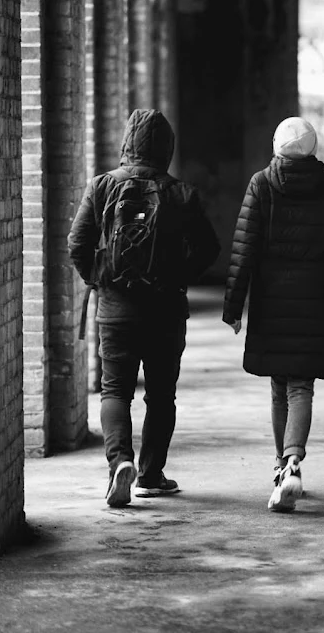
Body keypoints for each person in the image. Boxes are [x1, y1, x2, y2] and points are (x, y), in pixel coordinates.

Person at [68, 108, 220, 508]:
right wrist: (177, 276)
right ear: (165, 148)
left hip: (115, 310)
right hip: (166, 309)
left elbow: (77, 244)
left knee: (115, 389)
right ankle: (151, 474)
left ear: (127, 143)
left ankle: (120, 462)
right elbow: (209, 249)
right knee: (161, 395)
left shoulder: (101, 186)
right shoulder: (180, 193)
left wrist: (100, 276)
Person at [223, 116, 324, 512]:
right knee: (302, 385)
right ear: (313, 148)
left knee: (279, 385)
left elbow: (243, 249)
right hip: (311, 294)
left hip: (270, 297)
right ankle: (294, 461)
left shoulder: (261, 184)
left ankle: (283, 465)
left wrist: (234, 308)